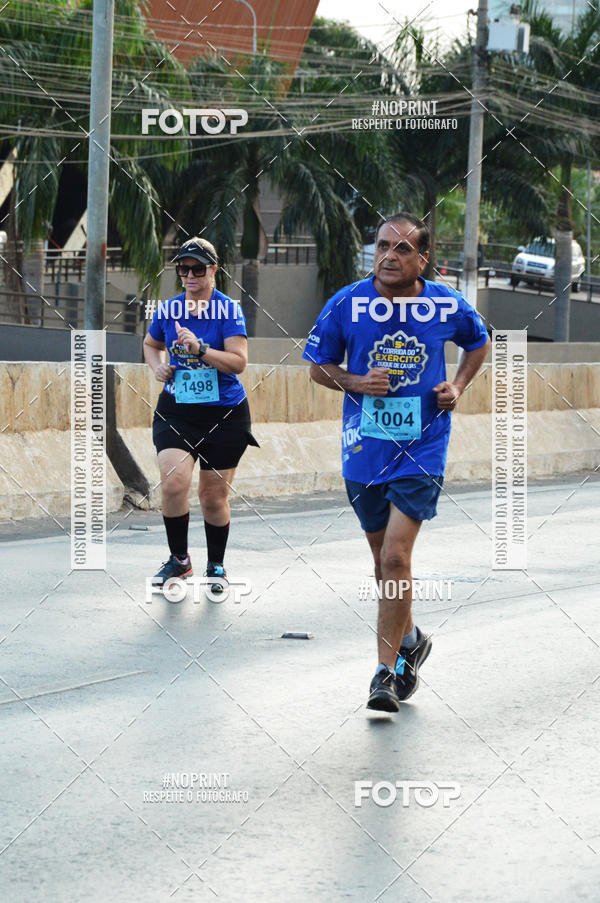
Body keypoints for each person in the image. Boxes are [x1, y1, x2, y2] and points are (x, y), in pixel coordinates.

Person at [303, 213, 490, 712]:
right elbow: (318, 366)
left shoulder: (444, 302)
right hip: (364, 449)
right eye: (383, 246)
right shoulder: (348, 302)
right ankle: (412, 639)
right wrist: (356, 382)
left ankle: (387, 673)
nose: (389, 256)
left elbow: (479, 341)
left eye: (403, 249)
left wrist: (459, 385)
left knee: (395, 559)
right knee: (381, 561)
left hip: (422, 446)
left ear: (422, 258)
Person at [143, 237, 258, 593]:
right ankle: (179, 561)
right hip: (176, 410)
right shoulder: (168, 309)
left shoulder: (227, 310)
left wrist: (202, 348)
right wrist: (158, 367)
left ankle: (217, 564)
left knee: (212, 496)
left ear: (213, 270)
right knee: (174, 482)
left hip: (224, 413)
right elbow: (150, 344)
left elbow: (238, 362)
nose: (189, 275)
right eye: (183, 269)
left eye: (197, 269)